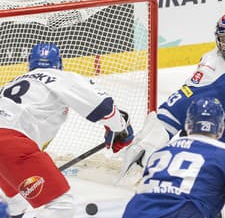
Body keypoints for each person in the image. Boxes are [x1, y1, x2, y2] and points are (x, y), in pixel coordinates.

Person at [0, 43, 134, 218]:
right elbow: (104, 107)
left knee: (16, 202)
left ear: (29, 63)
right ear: (59, 63)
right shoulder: (60, 77)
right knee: (62, 207)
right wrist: (120, 128)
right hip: (13, 146)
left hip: (8, 150)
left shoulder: (13, 82)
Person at [122, 97, 225, 218]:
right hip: (184, 212)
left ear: (187, 125)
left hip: (137, 211)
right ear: (221, 128)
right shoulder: (221, 153)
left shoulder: (161, 151)